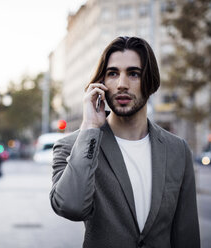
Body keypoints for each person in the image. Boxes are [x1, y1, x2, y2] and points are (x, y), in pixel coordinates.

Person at [50, 36, 200, 248]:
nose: (122, 84)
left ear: (151, 82)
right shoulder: (73, 146)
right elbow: (70, 207)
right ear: (101, 83)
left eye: (134, 74)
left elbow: (186, 234)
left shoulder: (177, 150)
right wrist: (90, 128)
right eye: (113, 74)